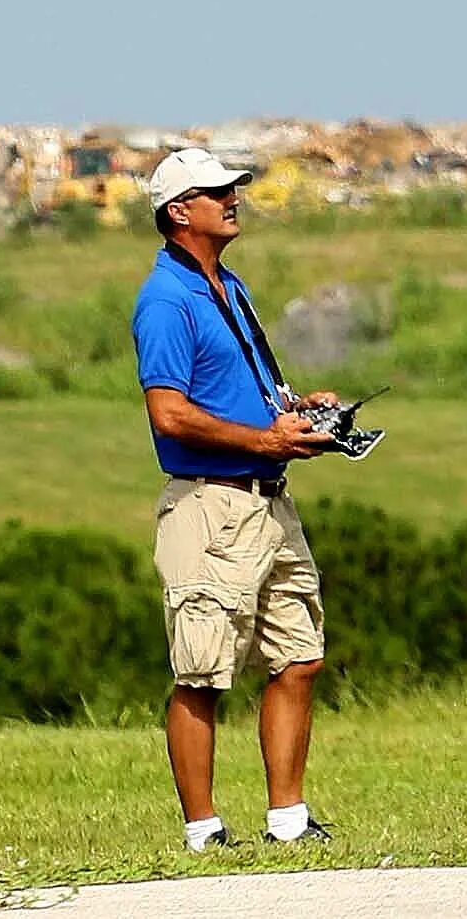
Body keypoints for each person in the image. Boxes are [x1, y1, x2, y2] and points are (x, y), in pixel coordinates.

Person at [133, 145, 338, 852]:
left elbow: (238, 387)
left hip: (269, 502)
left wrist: (296, 407)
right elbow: (170, 413)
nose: (233, 197)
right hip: (212, 505)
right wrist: (263, 440)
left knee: (300, 654)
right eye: (216, 189)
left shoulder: (229, 284)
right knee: (203, 671)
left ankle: (288, 819)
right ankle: (203, 829)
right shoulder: (165, 299)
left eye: (233, 186)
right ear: (177, 211)